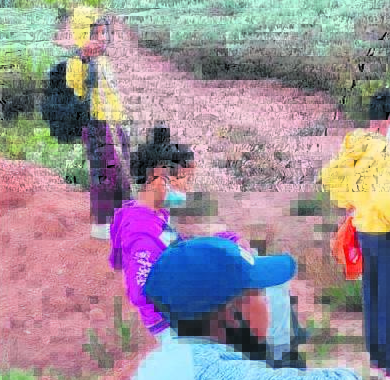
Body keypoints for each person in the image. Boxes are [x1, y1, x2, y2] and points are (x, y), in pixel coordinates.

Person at [89, 237, 366, 380]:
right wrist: (349, 378)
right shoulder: (212, 374)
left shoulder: (171, 360)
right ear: (233, 314)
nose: (267, 303)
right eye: (258, 293)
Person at [110, 126, 301, 367]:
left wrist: (223, 241)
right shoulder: (141, 233)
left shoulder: (151, 216)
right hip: (176, 323)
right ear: (160, 176)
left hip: (184, 312)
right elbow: (143, 290)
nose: (187, 188)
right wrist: (199, 298)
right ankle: (277, 359)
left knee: (257, 271)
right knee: (266, 286)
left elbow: (174, 251)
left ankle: (275, 353)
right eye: (185, 179)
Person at [319, 89, 390, 380]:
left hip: (365, 231)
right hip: (389, 234)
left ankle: (379, 363)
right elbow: (389, 201)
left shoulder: (356, 146)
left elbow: (331, 176)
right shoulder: (385, 154)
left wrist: (351, 202)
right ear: (389, 120)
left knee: (376, 297)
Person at [68, 9, 134, 239]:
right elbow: (76, 89)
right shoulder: (78, 62)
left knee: (122, 170)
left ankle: (124, 217)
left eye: (104, 33)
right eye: (95, 34)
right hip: (97, 124)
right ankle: (102, 221)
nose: (102, 38)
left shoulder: (104, 60)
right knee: (104, 173)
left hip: (115, 122)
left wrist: (123, 120)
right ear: (83, 35)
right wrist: (83, 59)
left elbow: (113, 93)